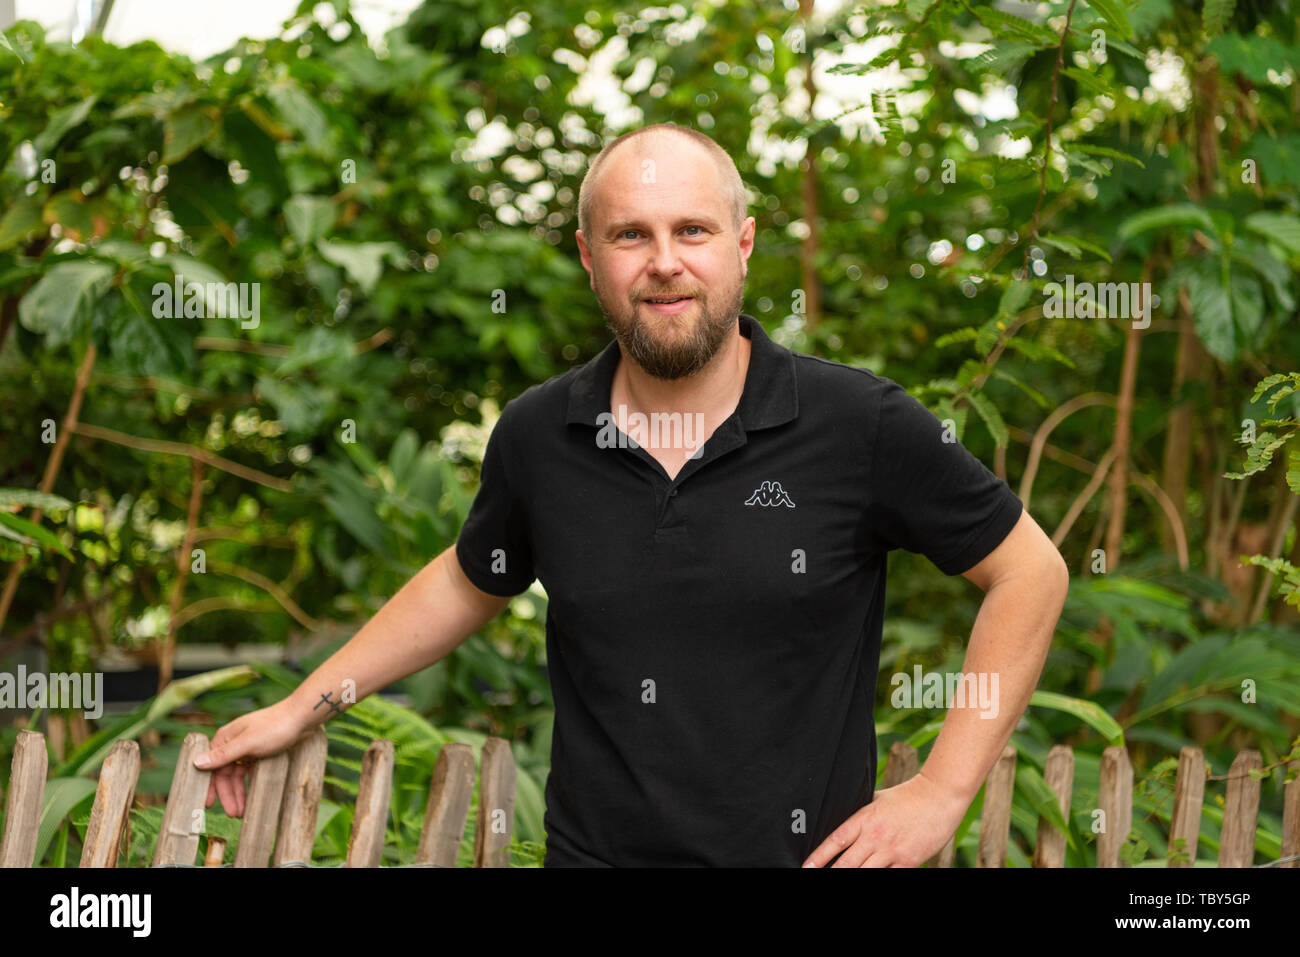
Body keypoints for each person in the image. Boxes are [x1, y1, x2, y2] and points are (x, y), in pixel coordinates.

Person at [195, 122, 1069, 867]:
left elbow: (1029, 571)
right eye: (629, 236)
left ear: (744, 243)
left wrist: (944, 789)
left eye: (692, 231)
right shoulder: (541, 435)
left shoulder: (858, 423)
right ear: (588, 255)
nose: (664, 264)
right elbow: (470, 579)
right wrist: (302, 706)